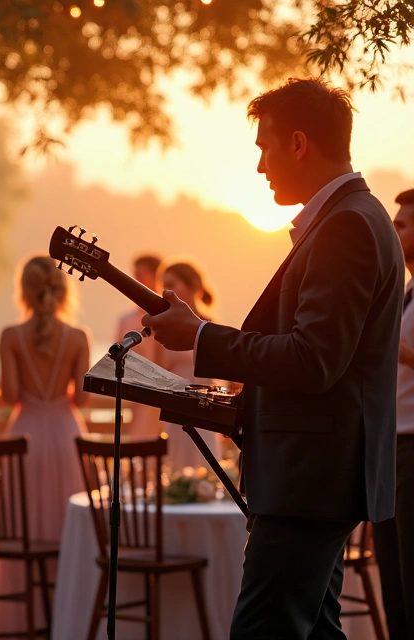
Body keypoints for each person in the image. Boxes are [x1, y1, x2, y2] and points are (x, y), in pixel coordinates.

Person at [143, 78, 402, 638]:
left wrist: (204, 337)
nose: (260, 165)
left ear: (300, 144)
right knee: (315, 630)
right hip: (317, 477)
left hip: (309, 480)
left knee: (264, 630)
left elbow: (314, 361)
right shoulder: (353, 219)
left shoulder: (347, 227)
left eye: (265, 146)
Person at [0, 255, 89, 543]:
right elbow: (83, 400)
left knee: (24, 521)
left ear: (23, 292)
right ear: (64, 291)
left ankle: (26, 585)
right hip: (67, 437)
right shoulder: (78, 337)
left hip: (25, 437)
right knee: (68, 517)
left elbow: (11, 395)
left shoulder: (10, 336)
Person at [376, 187, 414, 640]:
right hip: (392, 446)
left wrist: (396, 350)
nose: (392, 229)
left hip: (412, 448)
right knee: (394, 582)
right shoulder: (405, 290)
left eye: (402, 224)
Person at [155, 258, 225, 470]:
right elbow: (159, 369)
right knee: (176, 465)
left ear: (193, 284)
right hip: (176, 403)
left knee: (206, 462)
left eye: (173, 284)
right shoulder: (164, 327)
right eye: (163, 285)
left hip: (205, 405)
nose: (167, 291)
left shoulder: (213, 327)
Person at [116, 253, 164, 437]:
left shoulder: (168, 320)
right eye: (134, 275)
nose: (136, 280)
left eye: (141, 275)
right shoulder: (125, 320)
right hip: (136, 400)